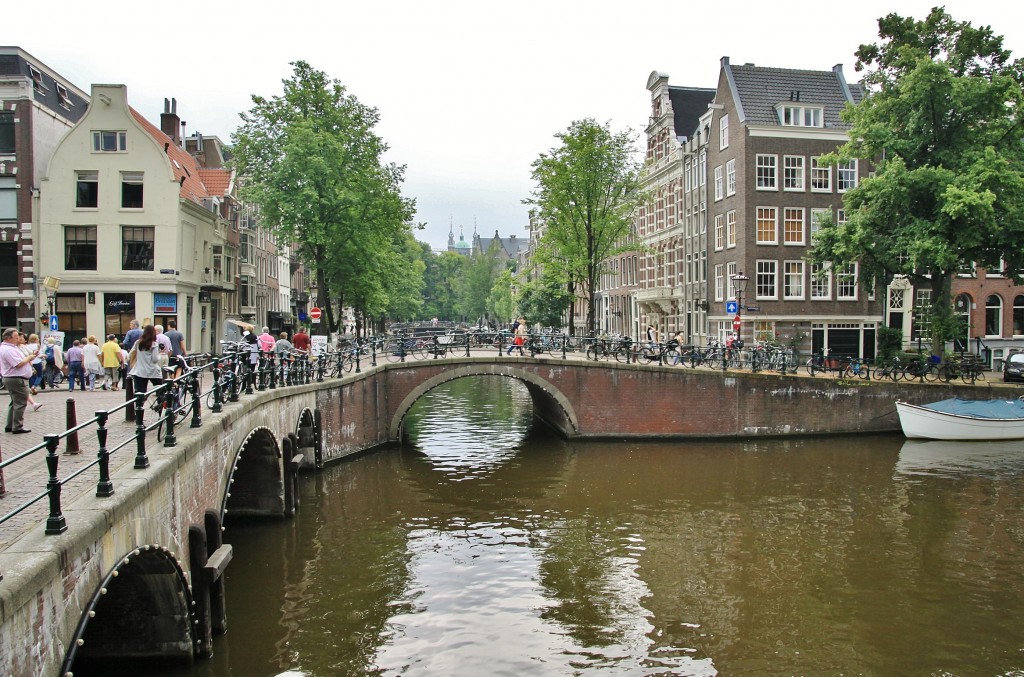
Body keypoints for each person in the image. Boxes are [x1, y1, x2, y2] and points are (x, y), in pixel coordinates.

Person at [1, 328, 38, 434]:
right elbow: (18, 364)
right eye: (16, 337)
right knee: (20, 403)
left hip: (13, 378)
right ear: (8, 338)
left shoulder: (9, 348)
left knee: (14, 402)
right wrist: (29, 358)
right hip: (16, 379)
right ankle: (17, 426)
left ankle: (10, 425)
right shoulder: (8, 349)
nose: (18, 339)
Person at [127, 324, 163, 395]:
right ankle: (160, 404)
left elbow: (130, 354)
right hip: (153, 371)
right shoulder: (154, 344)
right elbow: (155, 359)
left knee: (140, 392)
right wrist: (160, 354)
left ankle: (139, 405)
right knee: (160, 390)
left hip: (139, 371)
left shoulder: (138, 342)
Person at [17, 333, 42, 411]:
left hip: (25, 373)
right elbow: (19, 362)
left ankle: (33, 404)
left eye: (22, 337)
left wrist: (35, 354)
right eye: (19, 337)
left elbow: (31, 355)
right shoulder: (15, 348)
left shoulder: (24, 347)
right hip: (18, 374)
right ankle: (33, 404)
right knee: (23, 392)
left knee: (22, 392)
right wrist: (30, 358)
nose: (21, 338)